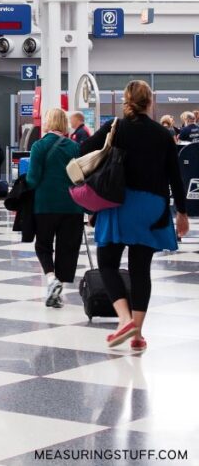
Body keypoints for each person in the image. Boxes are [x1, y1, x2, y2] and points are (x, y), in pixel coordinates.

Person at [80, 81, 189, 352]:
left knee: (107, 263)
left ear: (126, 101)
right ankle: (137, 335)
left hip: (119, 203)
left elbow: (83, 151)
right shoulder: (163, 134)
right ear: (149, 102)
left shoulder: (115, 128)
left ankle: (124, 319)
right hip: (152, 207)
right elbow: (176, 177)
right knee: (141, 269)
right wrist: (182, 214)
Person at [25, 109, 85, 308]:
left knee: (43, 245)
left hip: (45, 204)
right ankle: (58, 289)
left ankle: (52, 280)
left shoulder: (39, 146)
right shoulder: (75, 147)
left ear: (48, 122)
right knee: (67, 248)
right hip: (72, 205)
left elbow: (32, 179)